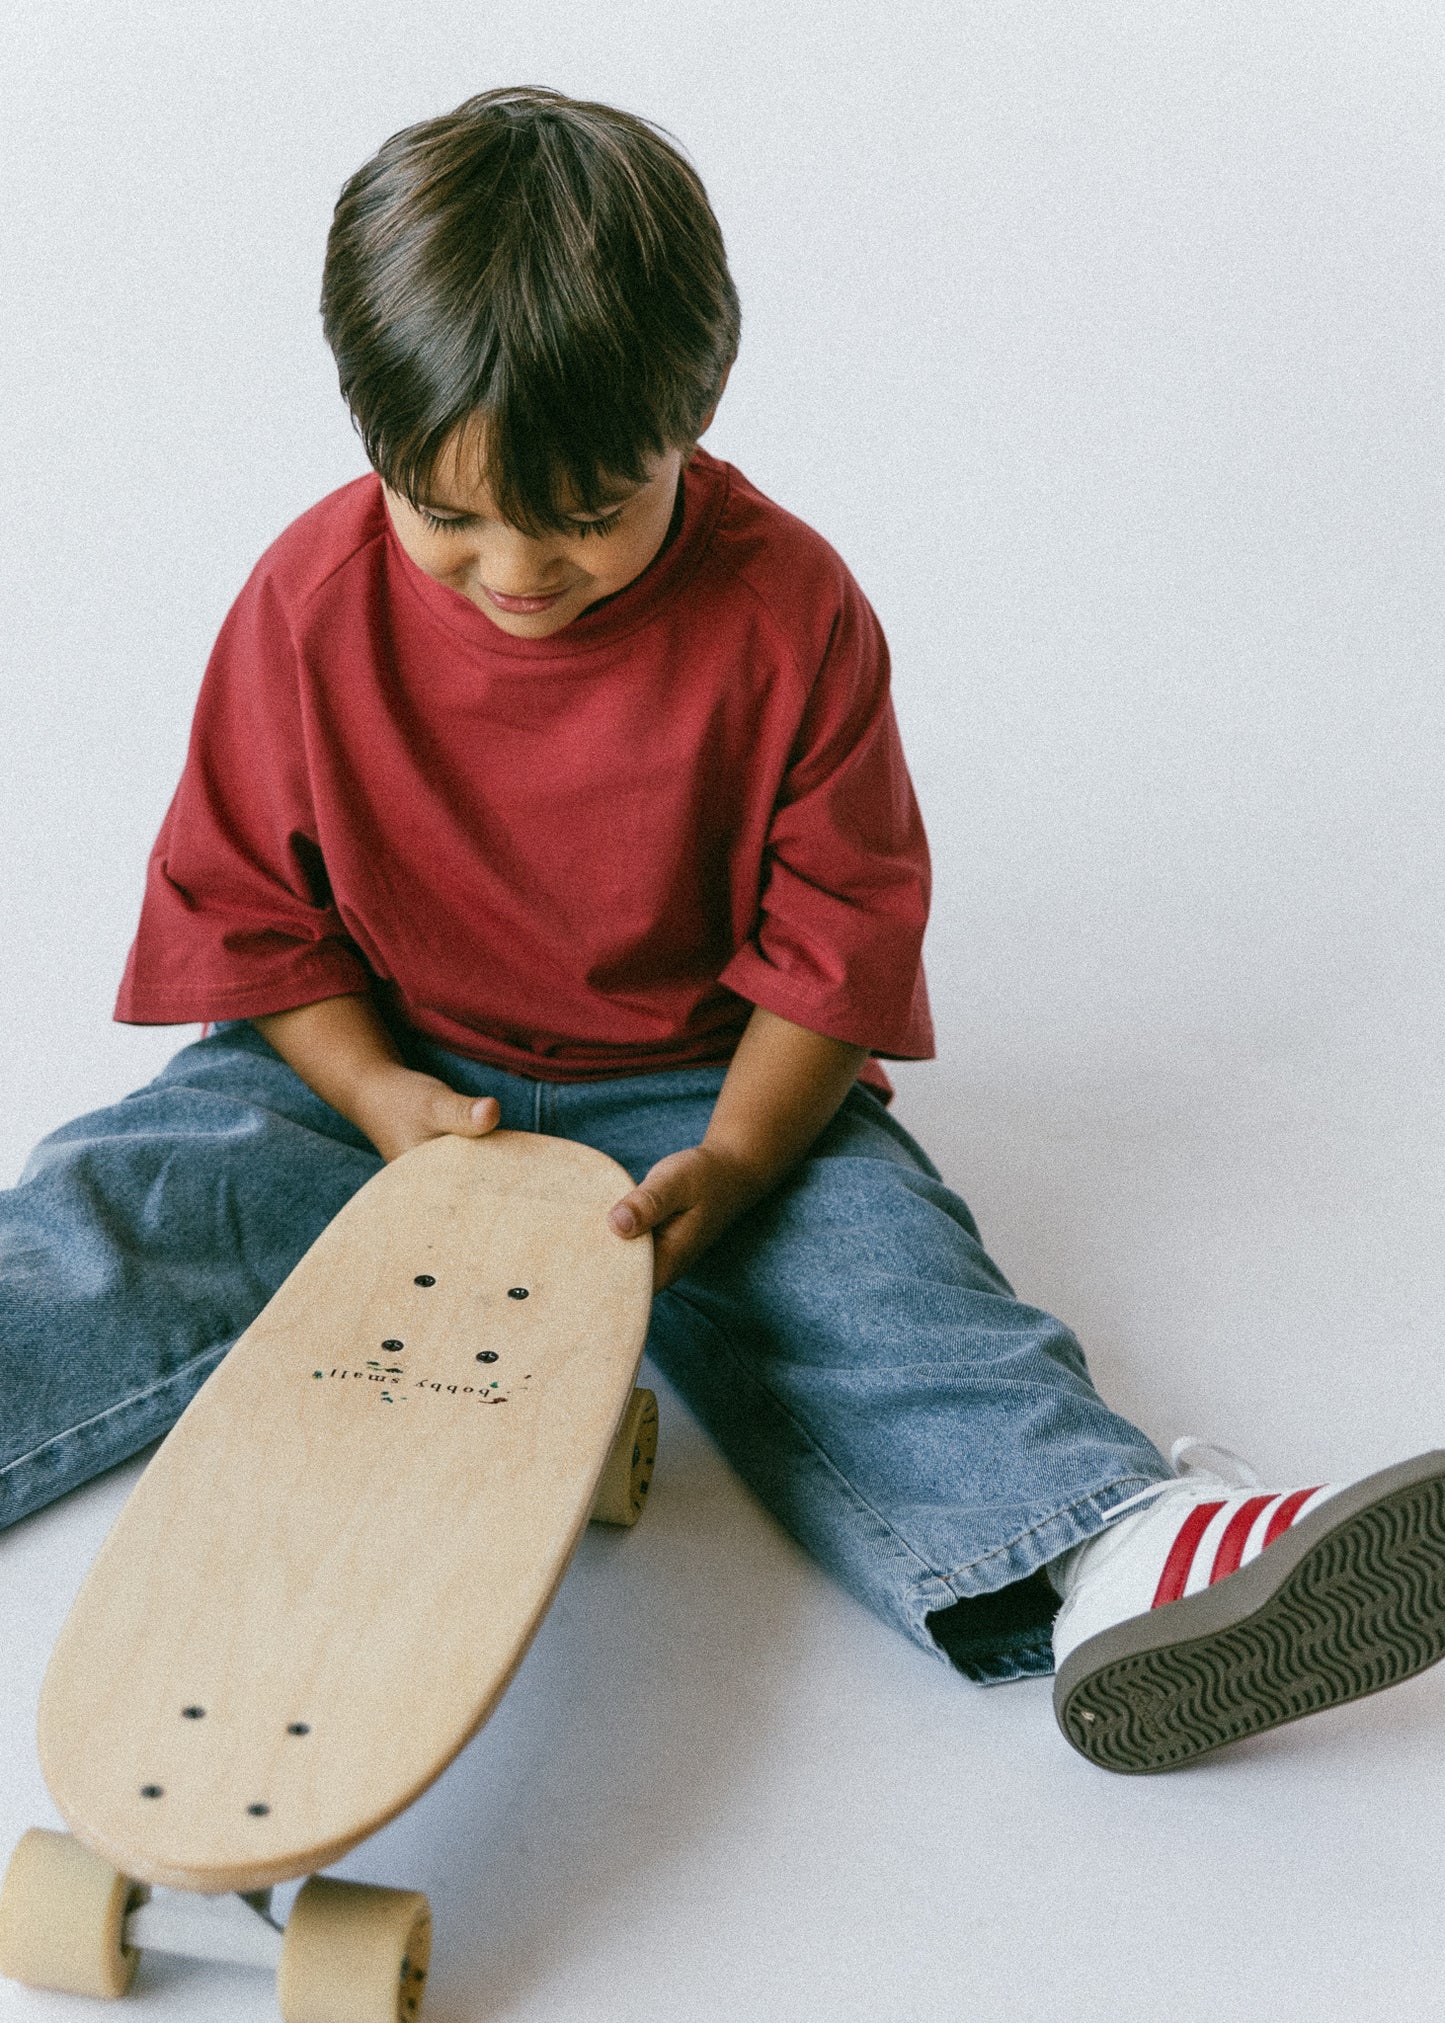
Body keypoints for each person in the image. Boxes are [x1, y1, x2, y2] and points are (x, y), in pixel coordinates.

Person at [3, 86, 1442, 1774]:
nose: (516, 568)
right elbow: (250, 914)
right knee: (120, 1207)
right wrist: (384, 1103)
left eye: (586, 513)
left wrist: (748, 1161)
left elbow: (836, 932)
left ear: (691, 420)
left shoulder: (790, 608)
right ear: (372, 443)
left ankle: (1108, 1547)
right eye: (447, 515)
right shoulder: (306, 599)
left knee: (885, 1288)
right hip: (371, 1070)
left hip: (700, 1081)